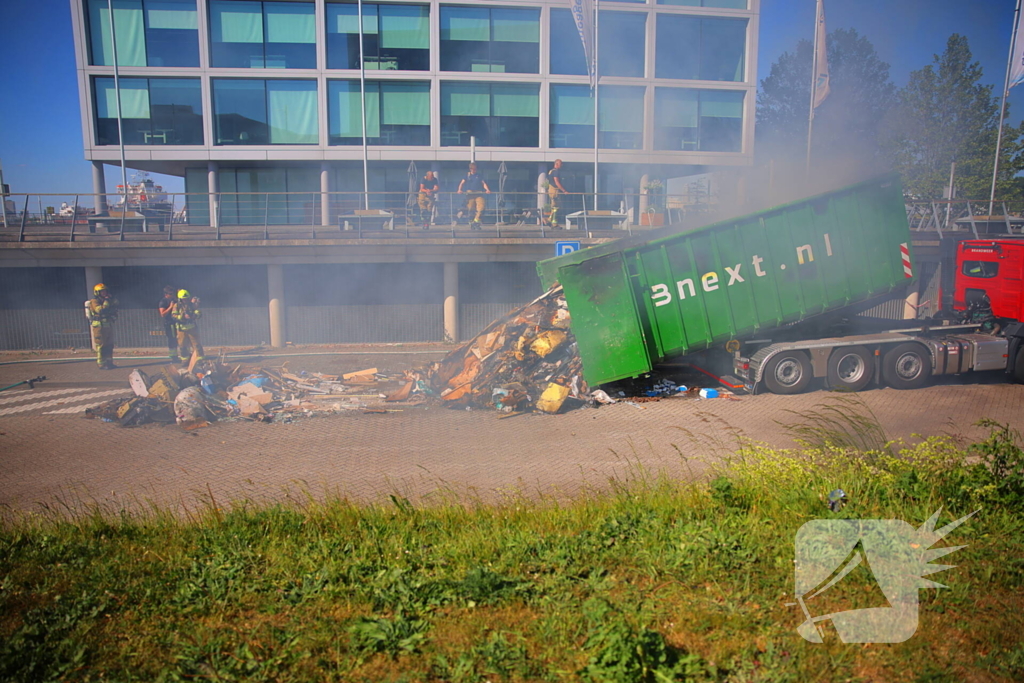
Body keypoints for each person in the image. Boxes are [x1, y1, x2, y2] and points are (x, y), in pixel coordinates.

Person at [86, 283, 119, 369]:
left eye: (105, 291)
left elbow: (116, 305)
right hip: (99, 327)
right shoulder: (94, 301)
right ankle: (102, 364)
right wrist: (107, 301)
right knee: (101, 346)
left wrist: (112, 299)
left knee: (109, 345)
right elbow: (100, 310)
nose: (104, 293)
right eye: (102, 292)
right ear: (97, 293)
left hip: (108, 325)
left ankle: (109, 362)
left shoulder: (107, 300)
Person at [173, 288, 205, 363]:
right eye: (184, 299)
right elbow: (174, 316)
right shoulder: (176, 306)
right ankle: (185, 360)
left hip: (192, 329)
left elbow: (198, 312)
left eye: (186, 299)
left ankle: (200, 360)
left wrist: (194, 315)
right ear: (180, 299)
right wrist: (182, 317)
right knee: (182, 346)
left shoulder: (192, 305)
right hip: (181, 330)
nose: (185, 300)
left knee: (196, 345)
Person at [456, 163, 490, 230]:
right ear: (470, 169)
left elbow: (483, 183)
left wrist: (487, 189)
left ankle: (476, 221)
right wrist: (459, 190)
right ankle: (472, 221)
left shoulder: (479, 175)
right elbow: (462, 183)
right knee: (471, 208)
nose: (474, 170)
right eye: (473, 169)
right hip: (470, 193)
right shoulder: (467, 176)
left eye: (475, 169)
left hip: (479, 193)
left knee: (481, 208)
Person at [157, 285, 178, 360]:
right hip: (169, 323)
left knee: (181, 339)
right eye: (170, 294)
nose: (172, 295)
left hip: (177, 323)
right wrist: (170, 307)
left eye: (173, 293)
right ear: (166, 294)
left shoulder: (175, 300)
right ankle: (173, 356)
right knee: (172, 339)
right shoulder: (163, 301)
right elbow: (162, 314)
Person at [547, 159, 568, 228]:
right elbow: (556, 182)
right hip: (555, 191)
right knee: (556, 207)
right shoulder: (556, 171)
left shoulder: (551, 171)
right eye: (560, 164)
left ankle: (550, 220)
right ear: (557, 164)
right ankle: (554, 223)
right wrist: (564, 190)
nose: (562, 165)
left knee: (554, 207)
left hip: (550, 190)